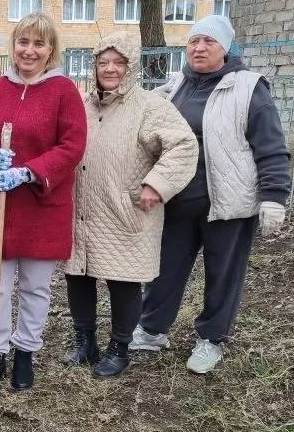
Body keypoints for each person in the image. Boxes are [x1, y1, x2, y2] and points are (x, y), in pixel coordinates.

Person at [130, 15, 291, 373]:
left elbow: (271, 146)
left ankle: (211, 339)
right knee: (164, 270)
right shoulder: (175, 87)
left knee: (223, 273)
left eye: (209, 42)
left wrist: (274, 196)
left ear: (225, 48)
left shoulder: (248, 88)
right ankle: (153, 329)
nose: (200, 48)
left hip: (229, 203)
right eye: (193, 41)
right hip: (178, 202)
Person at [0, 12, 88, 391]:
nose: (29, 51)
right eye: (23, 42)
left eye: (38, 43)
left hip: (40, 205)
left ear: (50, 50)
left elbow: (72, 146)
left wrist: (30, 171)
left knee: (35, 286)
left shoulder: (64, 91)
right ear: (13, 45)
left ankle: (24, 353)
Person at [63, 32, 198, 378]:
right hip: (81, 208)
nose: (110, 69)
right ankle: (85, 342)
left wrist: (157, 184)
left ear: (131, 67)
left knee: (123, 281)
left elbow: (183, 146)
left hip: (124, 210)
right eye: (103, 62)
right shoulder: (83, 104)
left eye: (118, 63)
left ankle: (119, 347)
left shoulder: (149, 106)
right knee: (78, 275)